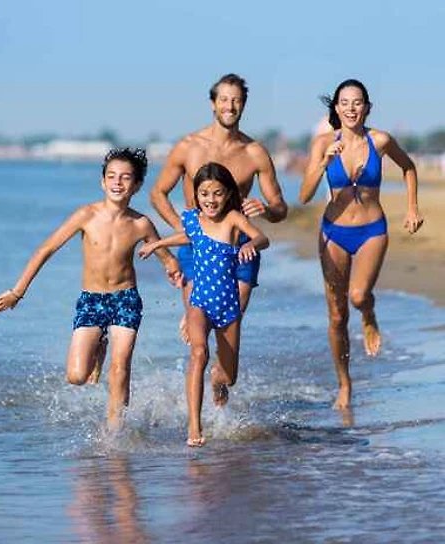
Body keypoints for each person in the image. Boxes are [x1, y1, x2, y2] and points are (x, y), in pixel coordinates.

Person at [0, 148, 183, 429]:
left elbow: (167, 259)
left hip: (126, 299)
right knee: (77, 376)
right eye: (112, 176)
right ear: (102, 182)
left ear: (137, 185)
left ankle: (114, 433)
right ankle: (99, 344)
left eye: (125, 177)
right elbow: (46, 249)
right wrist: (17, 292)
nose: (117, 182)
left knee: (120, 368)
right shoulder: (86, 215)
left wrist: (178, 277)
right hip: (91, 301)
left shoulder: (141, 224)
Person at [299, 79, 423, 410]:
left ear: (367, 108)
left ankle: (368, 313)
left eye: (357, 102)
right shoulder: (323, 143)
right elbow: (304, 195)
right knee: (337, 315)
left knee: (357, 296)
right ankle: (344, 383)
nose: (351, 108)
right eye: (345, 102)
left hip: (372, 230)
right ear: (336, 108)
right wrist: (324, 162)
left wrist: (412, 207)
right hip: (333, 232)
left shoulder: (380, 140)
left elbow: (408, 167)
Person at [140, 162, 270, 447]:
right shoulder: (192, 218)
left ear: (228, 194)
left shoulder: (233, 218)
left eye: (217, 193)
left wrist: (251, 244)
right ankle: (194, 426)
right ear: (196, 195)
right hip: (199, 302)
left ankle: (217, 380)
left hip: (228, 305)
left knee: (229, 377)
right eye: (204, 194)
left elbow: (263, 238)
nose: (211, 200)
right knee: (199, 353)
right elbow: (189, 237)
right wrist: (157, 244)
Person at [150, 73, 287, 340]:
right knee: (198, 340)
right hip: (197, 248)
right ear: (213, 103)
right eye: (224, 99)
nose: (230, 106)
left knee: (227, 335)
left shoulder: (255, 152)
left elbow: (280, 208)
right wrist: (184, 229)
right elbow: (158, 194)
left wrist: (267, 210)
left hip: (239, 248)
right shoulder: (189, 147)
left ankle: (222, 368)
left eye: (236, 100)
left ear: (243, 104)